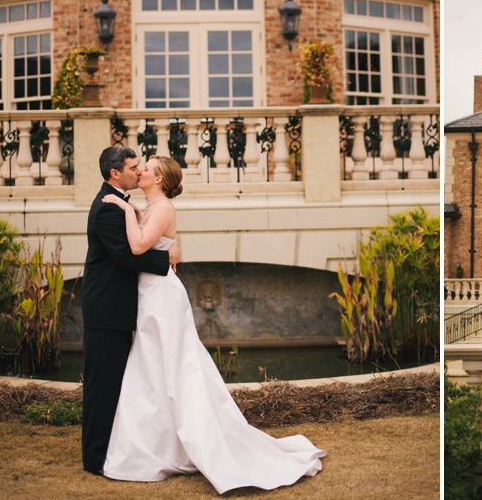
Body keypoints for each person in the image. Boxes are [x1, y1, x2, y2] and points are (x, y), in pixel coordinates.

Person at [100, 155, 326, 493]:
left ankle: (185, 441)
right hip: (151, 294)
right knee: (152, 368)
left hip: (162, 298)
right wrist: (133, 212)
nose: (141, 171)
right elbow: (152, 243)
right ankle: (159, 444)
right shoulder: (150, 207)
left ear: (159, 178)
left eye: (146, 168)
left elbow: (137, 246)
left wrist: (123, 210)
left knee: (175, 367)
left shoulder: (161, 208)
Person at [82, 146, 181, 475]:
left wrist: (133, 212)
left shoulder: (122, 203)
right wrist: (166, 259)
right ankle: (96, 459)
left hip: (121, 305)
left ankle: (113, 448)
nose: (138, 171)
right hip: (108, 309)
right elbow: (128, 254)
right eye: (133, 167)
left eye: (142, 167)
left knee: (117, 382)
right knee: (102, 386)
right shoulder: (109, 207)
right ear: (116, 174)